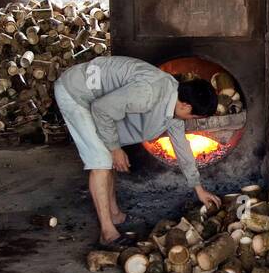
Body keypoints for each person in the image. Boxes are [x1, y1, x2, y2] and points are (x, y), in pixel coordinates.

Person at [54, 56, 221, 246]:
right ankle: (108, 233)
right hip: (75, 93)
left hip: (96, 99)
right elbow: (101, 109)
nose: (190, 120)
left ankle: (115, 215)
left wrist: (198, 188)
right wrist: (115, 148)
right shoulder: (148, 93)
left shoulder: (174, 99)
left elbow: (181, 147)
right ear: (185, 105)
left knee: (108, 155)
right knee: (101, 160)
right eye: (193, 116)